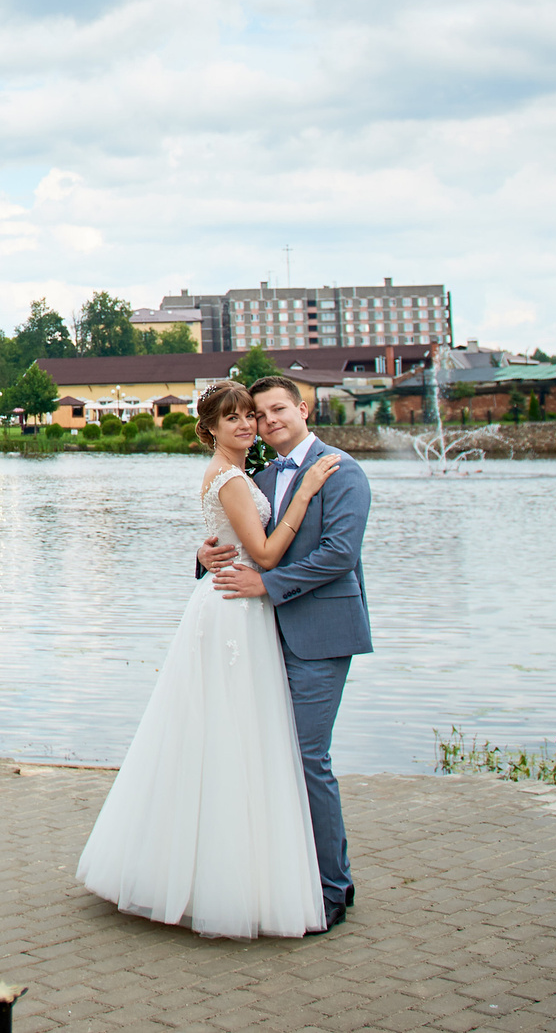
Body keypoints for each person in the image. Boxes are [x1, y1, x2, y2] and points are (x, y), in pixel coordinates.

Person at [76, 380, 338, 937]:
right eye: (233, 418)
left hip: (232, 604)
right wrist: (307, 492)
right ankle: (228, 880)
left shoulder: (241, 475)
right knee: (233, 737)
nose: (246, 424)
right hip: (235, 611)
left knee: (221, 735)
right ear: (211, 429)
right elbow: (264, 552)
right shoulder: (234, 479)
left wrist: (205, 553)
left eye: (251, 415)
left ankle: (213, 870)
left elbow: (237, 542)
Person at [202, 374, 373, 929]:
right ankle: (284, 876)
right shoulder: (261, 473)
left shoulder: (341, 470)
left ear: (303, 409)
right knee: (269, 758)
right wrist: (205, 558)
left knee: (307, 758)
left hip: (320, 635)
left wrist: (268, 587)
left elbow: (339, 554)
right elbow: (248, 541)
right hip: (260, 633)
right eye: (258, 413)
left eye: (277, 410)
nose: (267, 421)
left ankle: (332, 888)